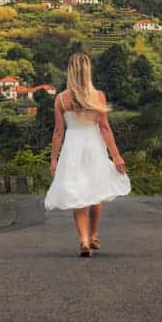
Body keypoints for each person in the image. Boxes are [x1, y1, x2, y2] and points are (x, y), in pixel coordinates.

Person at [44, 51, 131, 257]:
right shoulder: (98, 96)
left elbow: (58, 132)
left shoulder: (61, 99)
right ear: (87, 71)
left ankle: (83, 240)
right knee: (95, 189)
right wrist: (116, 156)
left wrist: (54, 159)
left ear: (70, 72)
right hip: (93, 146)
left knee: (77, 192)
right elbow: (105, 128)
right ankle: (93, 235)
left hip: (72, 147)